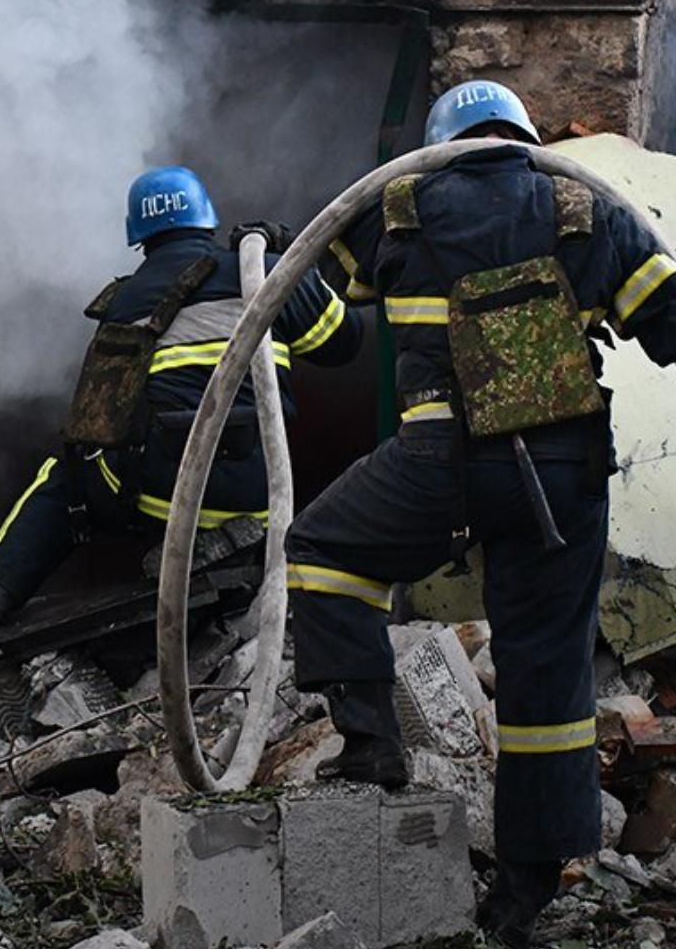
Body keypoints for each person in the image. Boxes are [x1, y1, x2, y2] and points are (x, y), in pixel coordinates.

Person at [286, 78, 676, 946]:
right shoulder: (588, 208)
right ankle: (527, 888)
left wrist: (266, 244)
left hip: (437, 466)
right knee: (549, 678)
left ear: (441, 139)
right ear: (524, 134)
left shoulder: (394, 206)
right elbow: (670, 325)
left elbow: (321, 321)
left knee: (323, 549)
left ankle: (370, 741)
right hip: (565, 479)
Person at [0, 166, 362, 621]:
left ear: (139, 238)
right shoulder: (265, 273)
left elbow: (102, 424)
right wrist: (296, 259)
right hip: (260, 495)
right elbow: (343, 343)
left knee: (65, 475)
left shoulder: (124, 301)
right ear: (207, 220)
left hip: (166, 500)